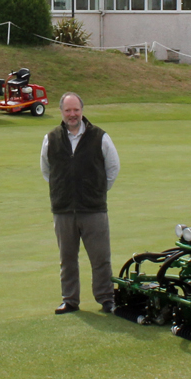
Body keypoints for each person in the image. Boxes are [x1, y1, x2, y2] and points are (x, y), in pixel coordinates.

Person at [41, 92, 119, 314]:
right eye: (68, 110)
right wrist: (65, 191)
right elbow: (47, 170)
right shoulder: (51, 138)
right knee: (67, 259)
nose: (72, 114)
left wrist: (95, 191)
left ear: (82, 111)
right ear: (62, 112)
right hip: (63, 209)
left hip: (93, 209)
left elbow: (113, 169)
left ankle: (106, 298)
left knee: (101, 258)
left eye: (76, 110)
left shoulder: (100, 137)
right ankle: (70, 300)